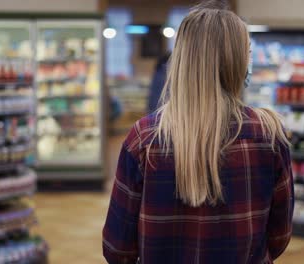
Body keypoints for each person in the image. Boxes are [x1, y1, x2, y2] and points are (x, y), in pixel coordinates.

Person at [102, 1, 294, 263]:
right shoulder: (269, 135)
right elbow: (279, 236)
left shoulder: (144, 138)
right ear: (238, 61)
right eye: (247, 52)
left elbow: (117, 248)